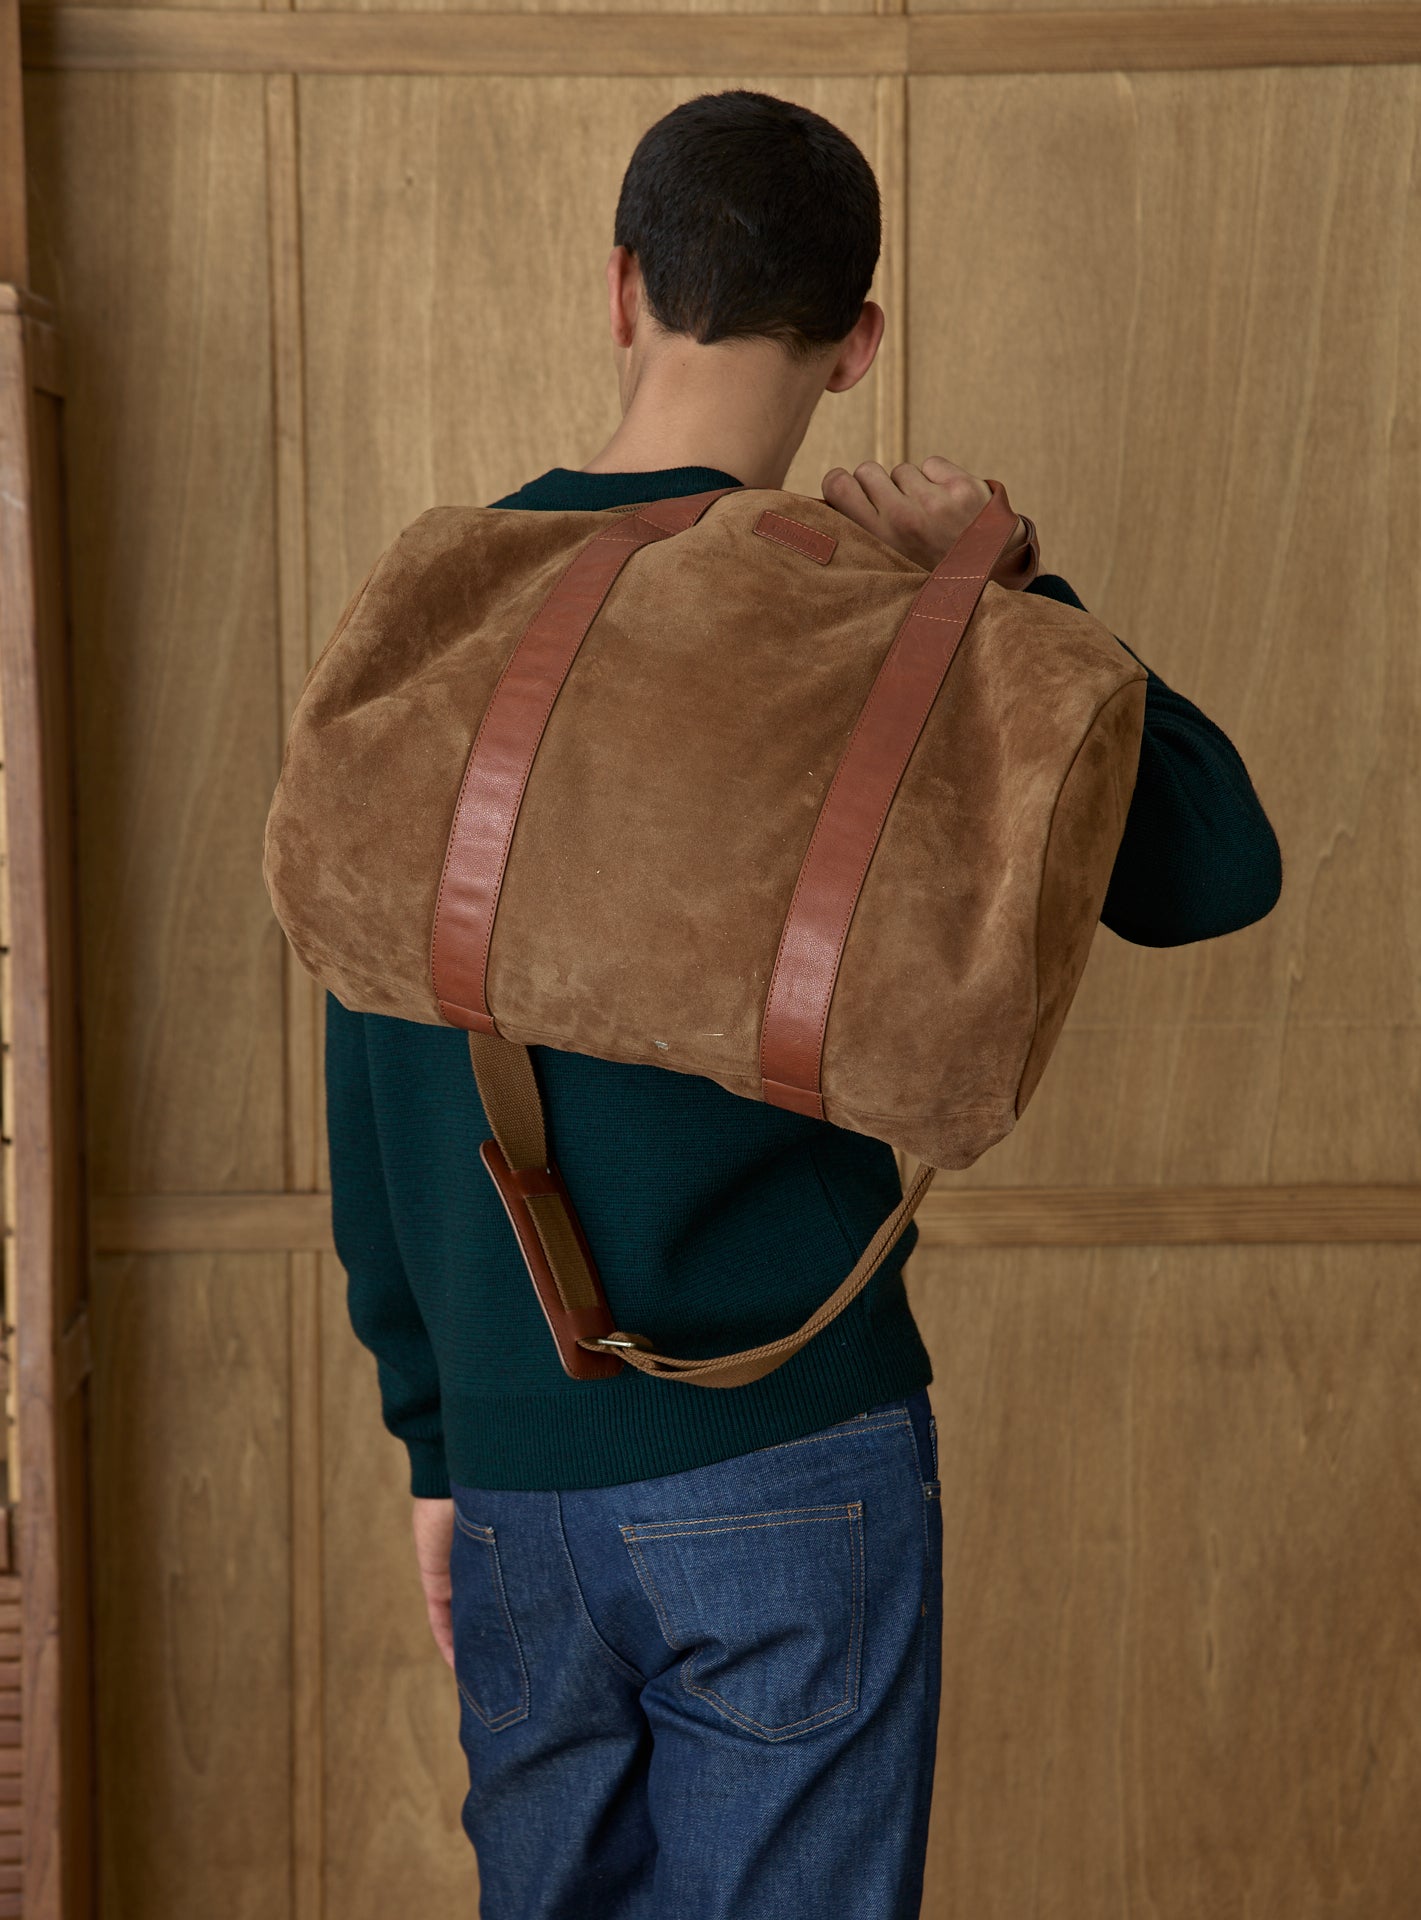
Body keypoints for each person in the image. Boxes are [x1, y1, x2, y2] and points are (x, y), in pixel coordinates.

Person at [324, 88, 1283, 1920]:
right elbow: (1215, 864)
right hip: (795, 1457)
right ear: (856, 343)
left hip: (516, 1465)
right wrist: (1003, 571)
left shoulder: (440, 607)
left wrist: (439, 1442)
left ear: (621, 289)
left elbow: (363, 1041)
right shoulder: (886, 627)